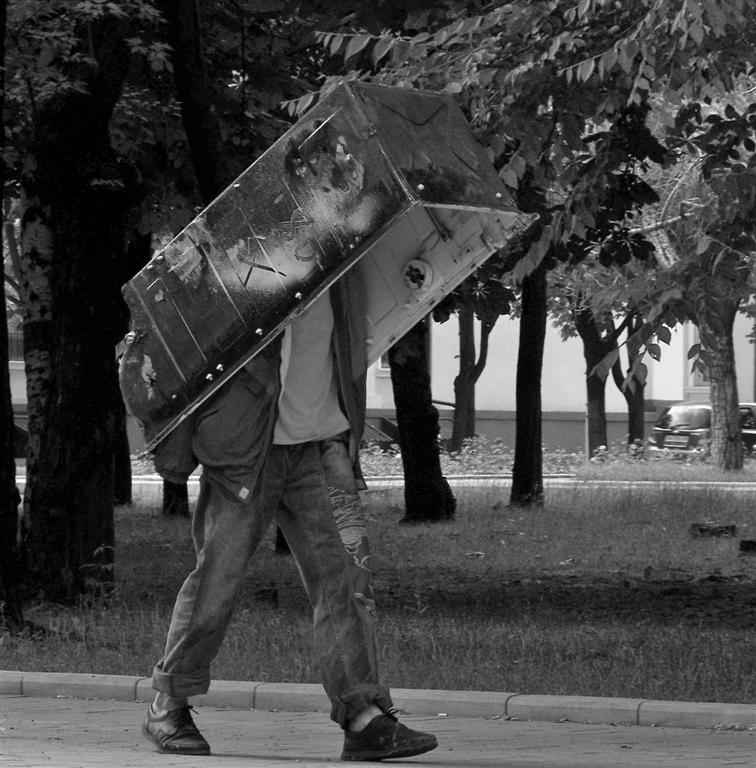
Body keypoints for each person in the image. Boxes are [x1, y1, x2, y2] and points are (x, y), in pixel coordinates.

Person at [141, 272, 438, 762]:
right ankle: (168, 703)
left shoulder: (345, 272)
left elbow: (349, 351)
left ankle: (363, 716)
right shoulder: (244, 267)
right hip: (246, 454)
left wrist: (345, 432)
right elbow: (190, 350)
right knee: (217, 581)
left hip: (319, 449)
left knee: (344, 582)